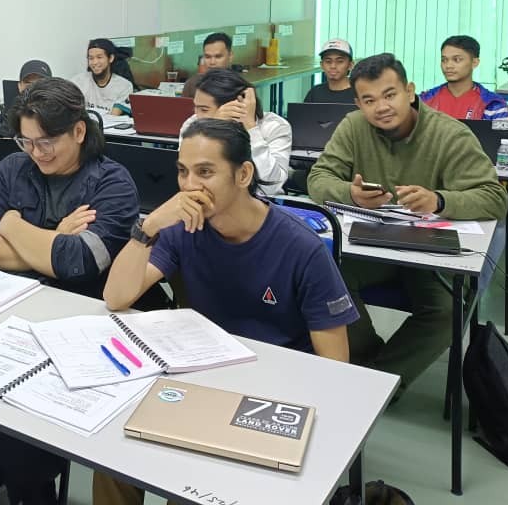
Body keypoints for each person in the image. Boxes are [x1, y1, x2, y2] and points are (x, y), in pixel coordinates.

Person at [93, 118, 357, 505]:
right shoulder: (183, 229)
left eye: (205, 172)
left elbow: (336, 368)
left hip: (274, 392)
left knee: (195, 483)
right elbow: (116, 297)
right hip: (201, 377)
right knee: (113, 456)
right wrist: (149, 227)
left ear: (243, 174)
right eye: (183, 172)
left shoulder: (301, 248)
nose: (189, 186)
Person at [0, 77, 141, 504]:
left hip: (81, 330)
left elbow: (79, 263)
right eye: (27, 142)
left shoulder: (112, 182)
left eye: (46, 142)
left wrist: (11, 224)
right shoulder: (13, 168)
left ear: (78, 131)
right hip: (11, 314)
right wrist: (53, 238)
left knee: (16, 439)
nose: (36, 153)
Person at [308, 53, 507, 394]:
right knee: (324, 279)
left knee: (447, 312)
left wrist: (440, 201)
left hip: (430, 252)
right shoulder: (354, 126)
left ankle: (380, 384)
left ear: (410, 91)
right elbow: (318, 178)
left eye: (390, 95)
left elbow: (494, 198)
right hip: (373, 244)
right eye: (369, 100)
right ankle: (367, 361)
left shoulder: (449, 134)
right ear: (358, 104)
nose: (381, 107)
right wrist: (350, 193)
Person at [180, 69, 291, 194]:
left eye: (204, 110)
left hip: (259, 201)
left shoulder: (274, 126)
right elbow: (193, 175)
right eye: (195, 108)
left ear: (236, 106)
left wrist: (251, 128)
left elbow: (271, 187)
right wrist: (214, 129)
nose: (197, 116)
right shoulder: (192, 124)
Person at [419, 35, 508, 120]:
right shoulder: (424, 101)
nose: (448, 65)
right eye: (444, 60)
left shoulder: (493, 105)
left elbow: (500, 132)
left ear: (474, 62)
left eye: (457, 60)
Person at [70, 38, 133, 116]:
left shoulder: (124, 86)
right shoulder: (78, 81)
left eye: (99, 57)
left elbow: (113, 117)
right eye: (91, 58)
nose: (95, 62)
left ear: (111, 58)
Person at [0, 59, 53, 135]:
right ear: (19, 86)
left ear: (51, 85)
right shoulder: (14, 109)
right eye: (28, 82)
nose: (33, 86)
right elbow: (4, 135)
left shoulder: (58, 111)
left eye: (40, 82)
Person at [304, 39, 355, 103]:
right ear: (322, 65)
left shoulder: (359, 92)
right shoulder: (315, 93)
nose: (333, 66)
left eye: (340, 61)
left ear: (350, 65)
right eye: (328, 61)